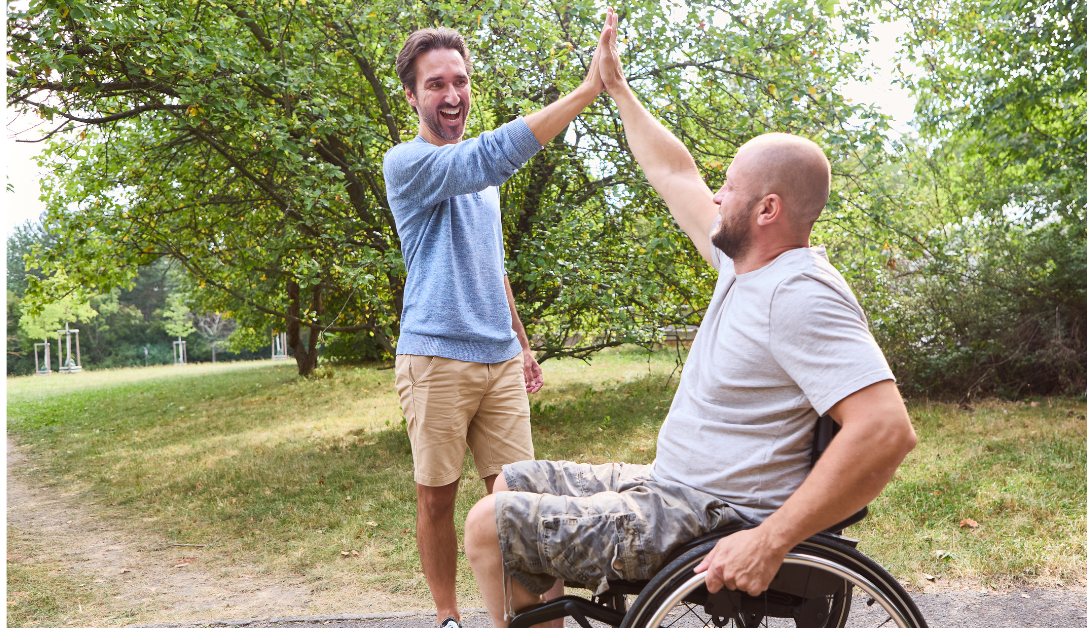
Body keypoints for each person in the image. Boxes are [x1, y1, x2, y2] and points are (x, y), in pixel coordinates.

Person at [463, 9, 919, 627]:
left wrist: (772, 539)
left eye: (728, 187)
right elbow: (673, 170)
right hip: (671, 485)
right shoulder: (743, 263)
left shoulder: (802, 294)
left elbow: (887, 430)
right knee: (509, 483)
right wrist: (619, 91)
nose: (715, 196)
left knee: (488, 526)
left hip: (708, 513)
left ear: (768, 209)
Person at [381, 19, 611, 628]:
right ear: (412, 95)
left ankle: (533, 620)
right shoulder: (406, 163)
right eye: (436, 85)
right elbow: (487, 157)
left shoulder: (484, 186)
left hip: (499, 358)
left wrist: (523, 344)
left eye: (460, 81)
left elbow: (493, 264)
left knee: (519, 504)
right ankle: (447, 615)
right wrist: (588, 90)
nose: (452, 95)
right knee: (437, 499)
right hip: (434, 356)